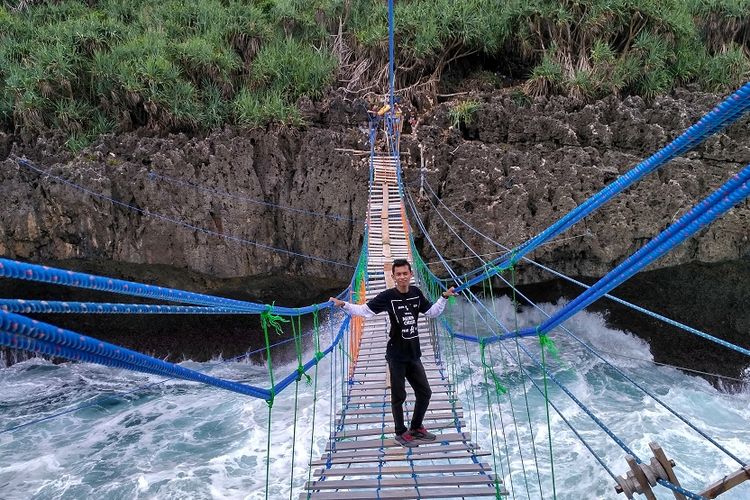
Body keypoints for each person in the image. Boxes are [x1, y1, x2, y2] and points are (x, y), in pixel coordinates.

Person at [330, 259, 456, 447]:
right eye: (398, 274)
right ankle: (400, 432)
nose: (402, 277)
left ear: (411, 274)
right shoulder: (388, 296)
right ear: (393, 277)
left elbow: (431, 312)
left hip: (414, 353)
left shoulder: (416, 293)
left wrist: (444, 297)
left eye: (405, 273)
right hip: (396, 355)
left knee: (425, 392)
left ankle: (416, 427)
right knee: (399, 396)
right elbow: (365, 311)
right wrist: (344, 305)